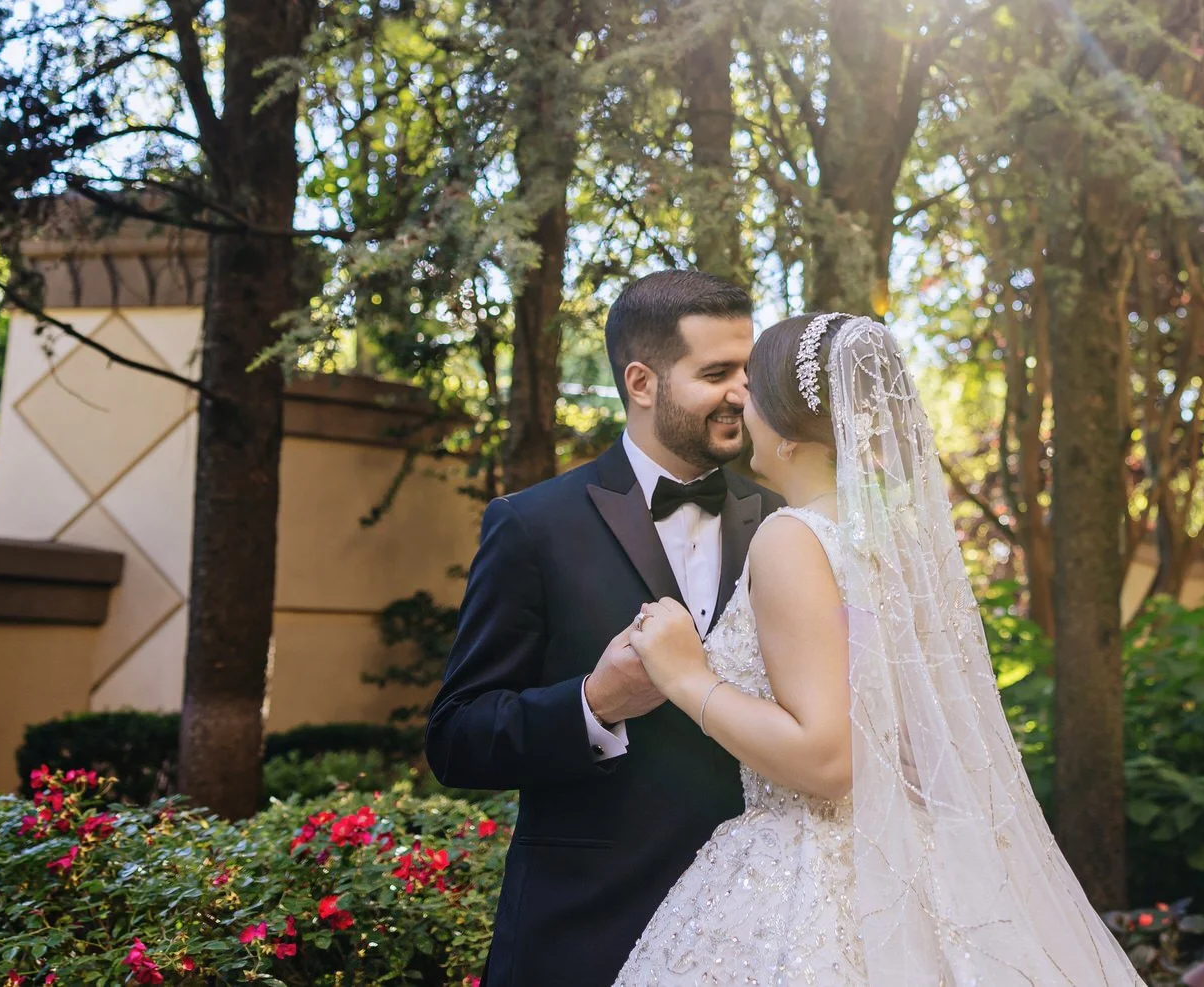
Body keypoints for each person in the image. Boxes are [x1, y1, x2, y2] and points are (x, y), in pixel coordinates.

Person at [611, 312, 1146, 987]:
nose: (740, 401)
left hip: (810, 870)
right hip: (912, 864)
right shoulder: (891, 550)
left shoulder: (790, 538)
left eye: (752, 387)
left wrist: (684, 675)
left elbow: (828, 760)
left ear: (786, 422)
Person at [427, 270, 780, 987]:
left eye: (748, 368)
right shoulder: (532, 525)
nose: (742, 392)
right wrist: (593, 703)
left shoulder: (787, 523)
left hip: (760, 931)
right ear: (642, 382)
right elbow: (457, 736)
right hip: (584, 934)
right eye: (716, 372)